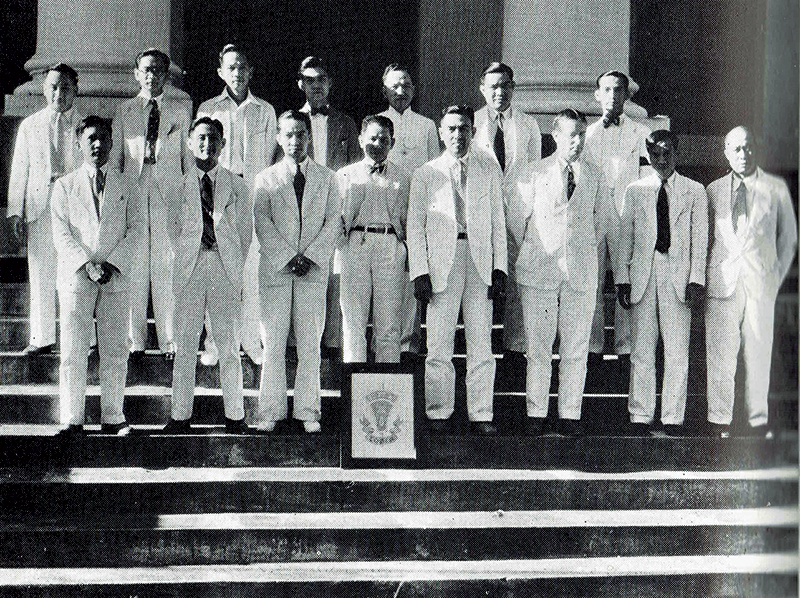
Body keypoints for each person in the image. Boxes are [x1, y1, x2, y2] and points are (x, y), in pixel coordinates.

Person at [407, 105, 507, 436]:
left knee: (481, 342)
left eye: (463, 128)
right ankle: (439, 412)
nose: (457, 135)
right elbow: (414, 227)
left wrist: (499, 268)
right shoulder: (426, 173)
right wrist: (420, 272)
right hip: (441, 264)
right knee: (438, 343)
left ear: (473, 132)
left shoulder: (488, 169)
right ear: (440, 133)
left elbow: (498, 222)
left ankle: (481, 413)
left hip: (479, 262)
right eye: (451, 129)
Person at [51, 116, 142, 437]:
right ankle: (72, 418)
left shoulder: (128, 184)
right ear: (79, 143)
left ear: (112, 142)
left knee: (115, 350)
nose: (97, 144)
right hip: (77, 278)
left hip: (114, 278)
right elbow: (61, 234)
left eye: (103, 138)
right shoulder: (63, 186)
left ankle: (113, 416)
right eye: (90, 138)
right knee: (74, 351)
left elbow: (136, 230)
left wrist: (111, 263)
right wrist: (87, 264)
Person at [705, 126, 797, 438]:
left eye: (748, 148)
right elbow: (705, 238)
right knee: (720, 355)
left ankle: (757, 420)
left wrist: (773, 278)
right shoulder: (713, 190)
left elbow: (789, 242)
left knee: (758, 352)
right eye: (736, 149)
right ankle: (720, 421)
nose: (743, 155)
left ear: (755, 151)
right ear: (726, 152)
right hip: (723, 283)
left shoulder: (776, 189)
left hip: (760, 285)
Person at [512, 109, 600, 436]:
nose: (576, 141)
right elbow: (516, 220)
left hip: (580, 272)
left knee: (576, 347)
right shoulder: (534, 173)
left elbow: (601, 222)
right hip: (539, 271)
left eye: (581, 134)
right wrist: (539, 246)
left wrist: (577, 248)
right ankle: (536, 414)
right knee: (538, 347)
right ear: (555, 135)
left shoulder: (595, 175)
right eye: (570, 134)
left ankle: (569, 415)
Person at [614, 130, 707, 436]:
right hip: (644, 272)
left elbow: (699, 240)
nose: (662, 160)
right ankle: (640, 414)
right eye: (656, 154)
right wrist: (623, 279)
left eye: (668, 153)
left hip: (677, 273)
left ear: (676, 154)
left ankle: (672, 417)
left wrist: (696, 280)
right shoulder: (635, 190)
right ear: (648, 154)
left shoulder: (694, 191)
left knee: (677, 349)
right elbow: (624, 238)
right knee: (642, 347)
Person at [254, 110, 341, 433]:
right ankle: (272, 411)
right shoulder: (266, 178)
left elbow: (333, 222)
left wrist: (311, 256)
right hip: (278, 271)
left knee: (309, 343)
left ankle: (308, 411)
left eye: (301, 134)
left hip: (312, 272)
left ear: (309, 137)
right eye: (288, 135)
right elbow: (262, 222)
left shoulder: (328, 178)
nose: (295, 141)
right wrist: (289, 256)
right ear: (279, 138)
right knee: (273, 342)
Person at [163, 117, 251, 434]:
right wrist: (190, 254)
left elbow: (244, 232)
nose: (206, 144)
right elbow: (173, 230)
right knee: (186, 344)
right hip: (191, 265)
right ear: (189, 142)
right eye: (200, 138)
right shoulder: (177, 186)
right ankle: (180, 416)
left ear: (222, 144)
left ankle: (235, 416)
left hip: (223, 265)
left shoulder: (237, 185)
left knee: (228, 345)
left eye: (213, 138)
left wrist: (229, 262)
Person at [196, 44, 277, 366]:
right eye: (231, 67)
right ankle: (215, 343)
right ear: (221, 72)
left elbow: (273, 158)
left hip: (254, 194)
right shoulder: (209, 108)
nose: (238, 73)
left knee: (252, 272)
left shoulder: (266, 111)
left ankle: (252, 341)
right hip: (219, 195)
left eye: (243, 67)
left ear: (251, 71)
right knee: (217, 270)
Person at [111, 48, 192, 362]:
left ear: (166, 75)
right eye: (146, 69)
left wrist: (186, 200)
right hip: (134, 192)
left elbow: (187, 163)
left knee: (165, 265)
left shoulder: (180, 112)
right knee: (134, 266)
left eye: (158, 70)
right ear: (136, 73)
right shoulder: (125, 111)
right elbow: (117, 160)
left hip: (166, 194)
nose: (151, 75)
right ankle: (135, 340)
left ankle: (168, 339)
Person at [7, 64, 83, 355]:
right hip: (39, 205)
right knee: (41, 271)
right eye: (53, 86)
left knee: (76, 274)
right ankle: (41, 337)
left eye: (65, 87)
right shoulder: (31, 125)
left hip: (74, 208)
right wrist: (16, 211)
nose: (58, 93)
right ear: (44, 89)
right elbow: (20, 170)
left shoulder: (85, 125)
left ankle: (81, 340)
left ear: (75, 90)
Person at [473, 62, 542, 361]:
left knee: (517, 275)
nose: (499, 92)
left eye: (505, 85)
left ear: (513, 87)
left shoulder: (528, 125)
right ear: (483, 88)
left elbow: (536, 172)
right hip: (482, 209)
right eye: (493, 86)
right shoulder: (471, 122)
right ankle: (481, 345)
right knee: (480, 277)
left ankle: (515, 346)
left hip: (518, 210)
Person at [583, 70, 651, 364]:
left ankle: (625, 347)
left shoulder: (642, 134)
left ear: (627, 95)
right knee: (592, 279)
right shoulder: (585, 134)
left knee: (626, 279)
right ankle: (593, 346)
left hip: (627, 213)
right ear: (598, 95)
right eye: (607, 90)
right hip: (595, 213)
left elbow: (648, 178)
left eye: (619, 90)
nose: (613, 95)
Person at [297, 56, 361, 356]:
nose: (316, 85)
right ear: (301, 84)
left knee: (335, 274)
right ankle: (301, 342)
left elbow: (355, 167)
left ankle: (332, 344)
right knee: (303, 272)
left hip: (336, 205)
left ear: (330, 83)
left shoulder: (346, 123)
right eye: (309, 80)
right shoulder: (291, 122)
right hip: (300, 207)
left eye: (321, 79)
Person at [378, 64, 440, 358]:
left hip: (417, 208)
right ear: (384, 90)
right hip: (387, 207)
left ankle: (409, 343)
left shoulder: (427, 125)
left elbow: (432, 169)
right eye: (394, 86)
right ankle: (386, 345)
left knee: (412, 274)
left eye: (406, 86)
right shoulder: (377, 124)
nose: (400, 91)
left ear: (413, 90)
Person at [339, 115, 411, 363]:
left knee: (389, 323)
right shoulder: (345, 175)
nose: (378, 144)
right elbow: (337, 220)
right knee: (353, 320)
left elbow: (408, 219)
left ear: (393, 142)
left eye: (384, 139)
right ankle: (354, 383)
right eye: (372, 138)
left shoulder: (404, 177)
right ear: (360, 141)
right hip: (356, 243)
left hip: (390, 245)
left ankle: (388, 380)